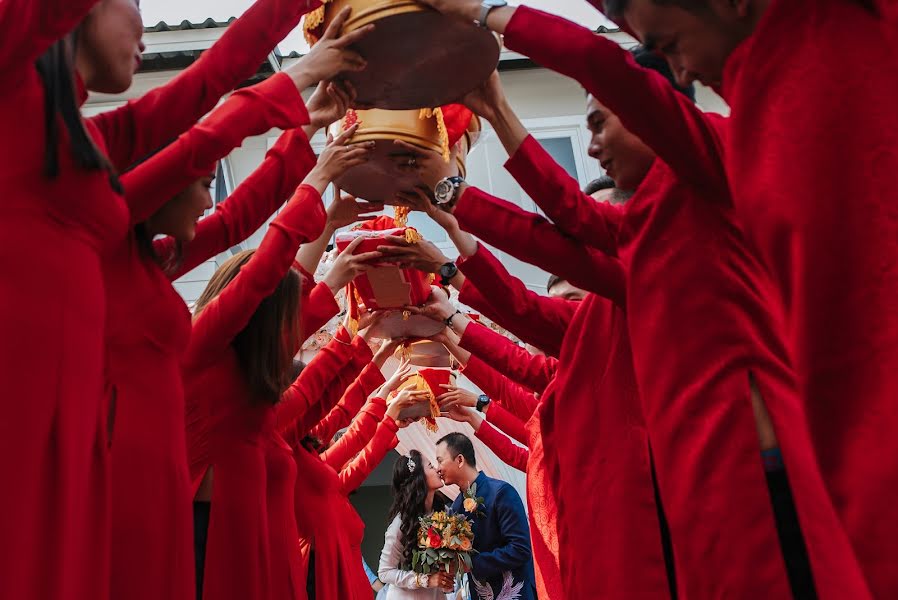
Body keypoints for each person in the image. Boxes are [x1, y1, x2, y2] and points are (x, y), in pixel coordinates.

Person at [599, 3, 898, 595]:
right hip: (728, 462)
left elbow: (604, 65)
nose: (592, 149)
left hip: (774, 450)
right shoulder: (646, 222)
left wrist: (493, 17)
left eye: (596, 123)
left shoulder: (718, 147)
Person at [103, 21, 364, 599]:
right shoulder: (203, 331)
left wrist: (305, 131)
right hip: (162, 515)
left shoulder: (157, 264)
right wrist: (315, 171)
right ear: (161, 186)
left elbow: (249, 227)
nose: (209, 197)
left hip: (222, 533)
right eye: (199, 182)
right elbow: (264, 275)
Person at [184, 125, 371, 600]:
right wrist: (320, 171)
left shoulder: (246, 378)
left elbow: (292, 292)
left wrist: (328, 227)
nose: (294, 329)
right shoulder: (204, 352)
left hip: (255, 554)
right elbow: (269, 282)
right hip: (213, 552)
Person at [434, 432, 536, 600]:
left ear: (460, 460)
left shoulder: (501, 492)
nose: (438, 468)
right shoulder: (456, 507)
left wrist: (471, 564)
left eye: (440, 460)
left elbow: (520, 549)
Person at [378, 450, 454, 599]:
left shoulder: (444, 512)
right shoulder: (401, 523)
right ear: (419, 478)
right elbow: (384, 572)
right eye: (431, 466)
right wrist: (425, 580)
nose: (437, 469)